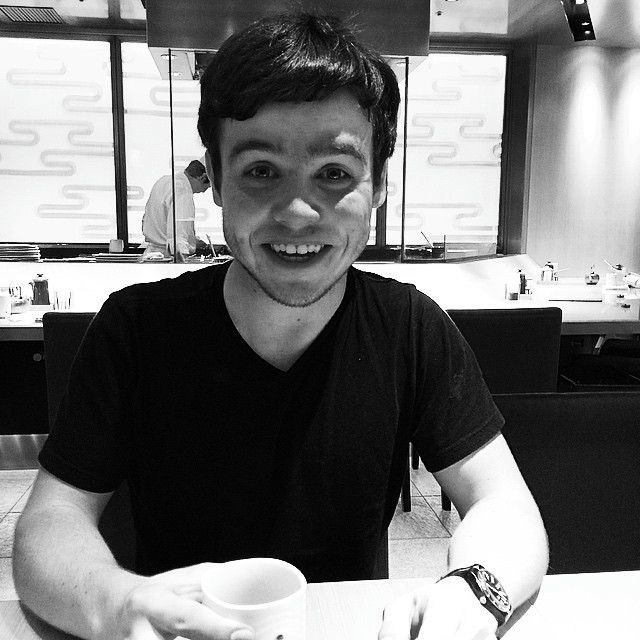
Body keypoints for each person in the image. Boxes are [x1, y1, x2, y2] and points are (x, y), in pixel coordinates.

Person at [13, 12, 548, 640]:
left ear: (377, 188)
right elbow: (50, 523)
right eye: (262, 170)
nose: (298, 212)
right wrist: (118, 602)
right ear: (214, 179)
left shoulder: (410, 328)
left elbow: (503, 503)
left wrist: (476, 591)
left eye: (335, 174)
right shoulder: (136, 329)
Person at [141, 159, 211, 260]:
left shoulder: (164, 180)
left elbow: (152, 219)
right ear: (203, 177)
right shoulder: (183, 189)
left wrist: (192, 240)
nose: (203, 191)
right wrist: (182, 261)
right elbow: (179, 231)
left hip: (151, 253)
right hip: (167, 257)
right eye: (207, 187)